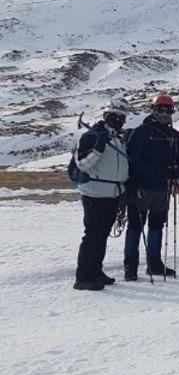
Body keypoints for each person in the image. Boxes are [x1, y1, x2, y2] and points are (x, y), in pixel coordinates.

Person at [72, 98, 131, 290]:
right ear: (105, 115)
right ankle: (83, 277)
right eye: (114, 116)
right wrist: (98, 148)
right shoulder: (91, 136)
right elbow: (82, 163)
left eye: (121, 117)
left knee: (102, 235)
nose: (118, 120)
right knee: (92, 235)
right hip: (95, 194)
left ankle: (96, 270)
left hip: (113, 193)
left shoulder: (118, 138)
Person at [123, 94, 179, 280]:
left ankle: (155, 264)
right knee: (135, 227)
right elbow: (132, 158)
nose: (164, 114)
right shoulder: (142, 131)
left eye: (167, 110)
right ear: (153, 110)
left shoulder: (174, 135)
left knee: (157, 226)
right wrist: (156, 172)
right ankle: (130, 267)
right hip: (140, 187)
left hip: (162, 189)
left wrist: (175, 174)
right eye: (160, 110)